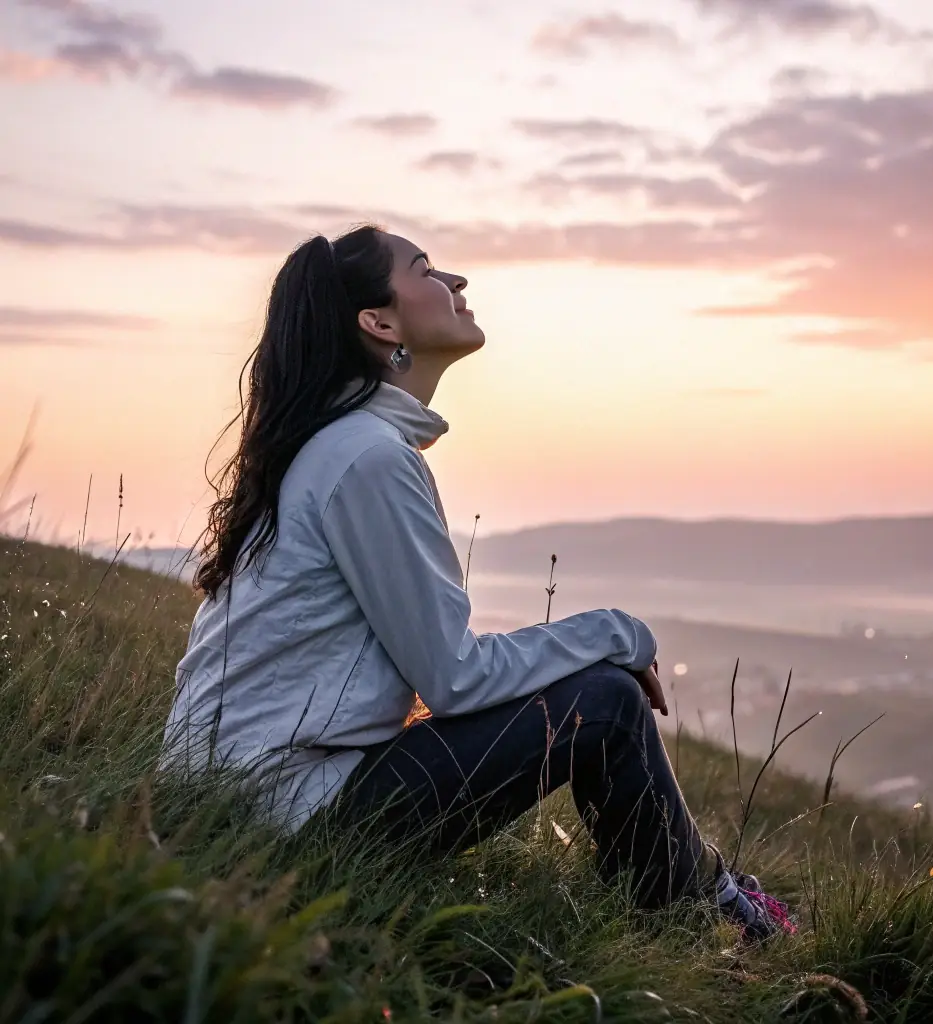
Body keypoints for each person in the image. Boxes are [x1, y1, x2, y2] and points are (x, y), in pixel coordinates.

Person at [160, 225, 795, 942]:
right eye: (428, 270)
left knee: (598, 697)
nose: (457, 284)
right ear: (380, 323)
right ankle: (706, 917)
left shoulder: (340, 446)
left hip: (253, 804)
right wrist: (612, 634)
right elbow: (453, 678)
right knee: (610, 703)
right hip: (286, 822)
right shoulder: (365, 458)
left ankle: (705, 892)